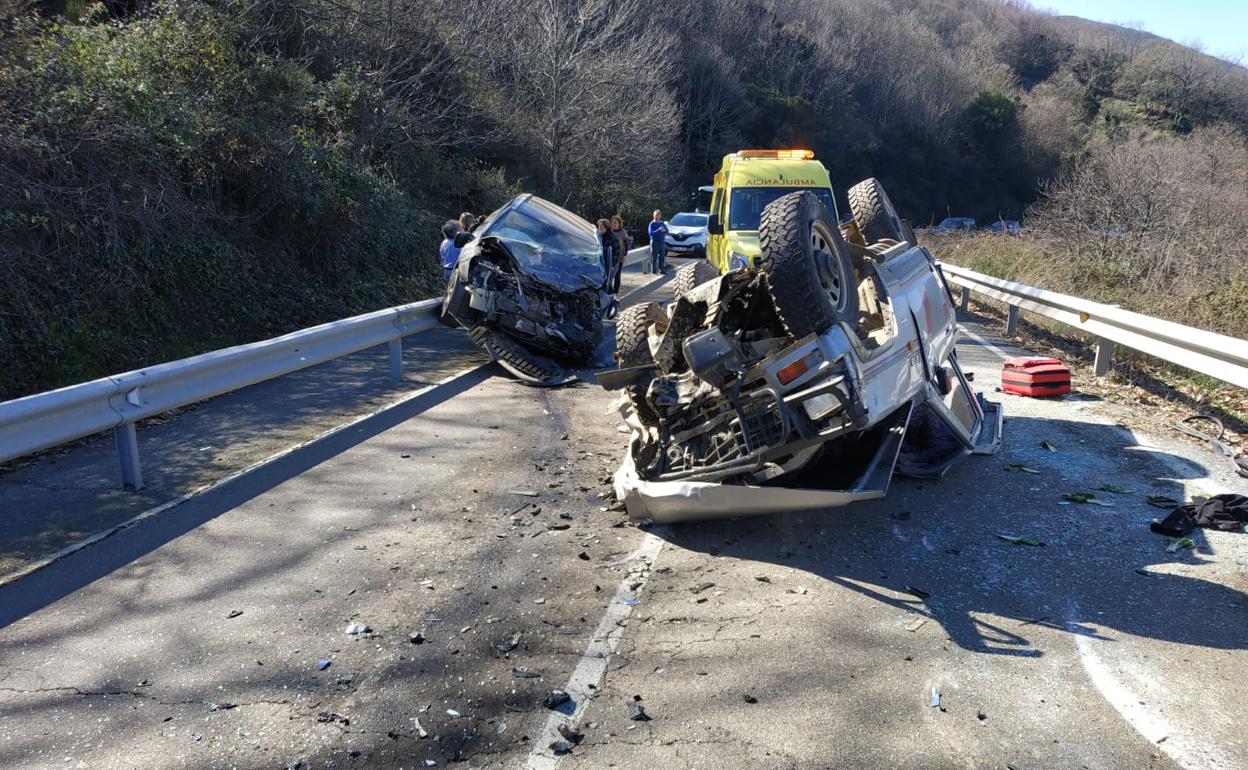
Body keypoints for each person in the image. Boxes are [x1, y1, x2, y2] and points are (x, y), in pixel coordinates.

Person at [596, 218, 619, 292]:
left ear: (606, 228)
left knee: (607, 284)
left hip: (610, 265)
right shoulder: (598, 237)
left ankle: (611, 300)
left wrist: (613, 264)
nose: (599, 229)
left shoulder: (612, 237)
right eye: (599, 227)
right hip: (601, 264)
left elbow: (617, 251)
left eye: (601, 227)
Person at [609, 216, 630, 293]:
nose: (613, 224)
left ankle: (615, 293)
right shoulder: (609, 232)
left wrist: (625, 255)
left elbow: (627, 245)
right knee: (609, 276)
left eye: (615, 223)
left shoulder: (622, 232)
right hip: (610, 257)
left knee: (617, 276)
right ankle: (609, 292)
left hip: (619, 257)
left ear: (619, 224)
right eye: (612, 223)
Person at [647, 209, 668, 274]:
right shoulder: (651, 224)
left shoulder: (662, 223)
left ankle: (662, 269)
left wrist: (664, 231)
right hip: (654, 242)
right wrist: (659, 230)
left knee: (662, 256)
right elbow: (651, 233)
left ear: (660, 216)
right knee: (654, 257)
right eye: (656, 215)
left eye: (658, 215)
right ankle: (653, 271)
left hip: (662, 242)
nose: (657, 216)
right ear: (653, 215)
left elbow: (667, 231)